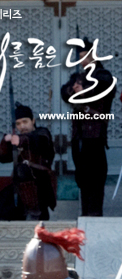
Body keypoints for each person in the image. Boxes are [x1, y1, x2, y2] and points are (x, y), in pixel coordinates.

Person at [61, 37, 115, 217]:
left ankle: (95, 216)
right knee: (83, 178)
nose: (84, 60)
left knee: (96, 178)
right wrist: (76, 88)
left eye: (87, 56)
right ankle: (85, 215)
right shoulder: (77, 77)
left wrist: (82, 89)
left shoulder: (104, 75)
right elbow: (65, 93)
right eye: (81, 57)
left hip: (96, 135)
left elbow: (103, 87)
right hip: (79, 136)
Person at [0, 103, 56, 222]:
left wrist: (19, 140)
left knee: (23, 170)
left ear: (33, 121)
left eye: (25, 122)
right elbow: (2, 158)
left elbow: (37, 140)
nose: (22, 126)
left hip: (41, 183)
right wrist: (5, 142)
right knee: (4, 199)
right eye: (18, 124)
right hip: (21, 183)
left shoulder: (42, 133)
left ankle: (34, 212)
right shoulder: (17, 139)